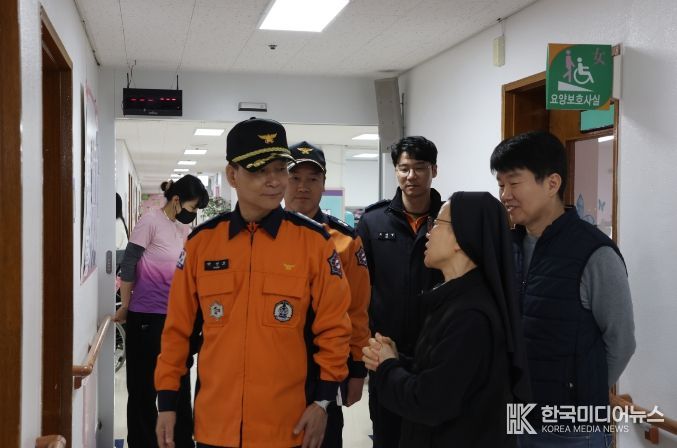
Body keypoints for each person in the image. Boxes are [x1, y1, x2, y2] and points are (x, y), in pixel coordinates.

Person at [155, 118, 352, 448]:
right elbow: (178, 331)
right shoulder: (202, 244)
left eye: (280, 169)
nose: (274, 181)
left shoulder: (314, 243)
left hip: (286, 427)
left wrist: (322, 402)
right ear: (232, 175)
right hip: (215, 426)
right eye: (260, 170)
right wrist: (167, 402)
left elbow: (334, 328)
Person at [490, 130, 636, 447]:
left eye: (514, 183)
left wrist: (582, 394)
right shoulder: (508, 248)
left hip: (573, 430)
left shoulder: (594, 252)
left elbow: (621, 341)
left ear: (552, 183)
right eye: (500, 185)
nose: (505, 195)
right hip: (518, 418)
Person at [362, 192, 531, 447]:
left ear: (461, 239)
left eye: (437, 224)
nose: (428, 233)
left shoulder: (471, 317)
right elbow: (441, 373)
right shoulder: (455, 300)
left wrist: (388, 366)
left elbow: (430, 403)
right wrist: (396, 360)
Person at [356, 136, 443, 447]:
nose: (411, 176)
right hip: (386, 348)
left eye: (420, 168)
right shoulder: (372, 221)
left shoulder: (449, 220)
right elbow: (360, 288)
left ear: (434, 170)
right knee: (387, 433)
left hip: (436, 350)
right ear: (395, 170)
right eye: (404, 168)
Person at [284, 141, 371, 447]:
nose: (303, 187)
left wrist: (357, 369)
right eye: (295, 178)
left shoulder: (345, 240)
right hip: (275, 365)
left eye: (312, 179)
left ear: (323, 184)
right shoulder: (262, 236)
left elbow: (357, 310)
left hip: (325, 366)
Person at [115, 174, 209, 448]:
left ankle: (180, 443)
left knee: (178, 386)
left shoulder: (183, 230)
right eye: (192, 207)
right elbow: (129, 264)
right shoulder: (150, 221)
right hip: (147, 317)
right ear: (176, 200)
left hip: (177, 319)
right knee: (144, 389)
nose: (192, 214)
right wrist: (126, 305)